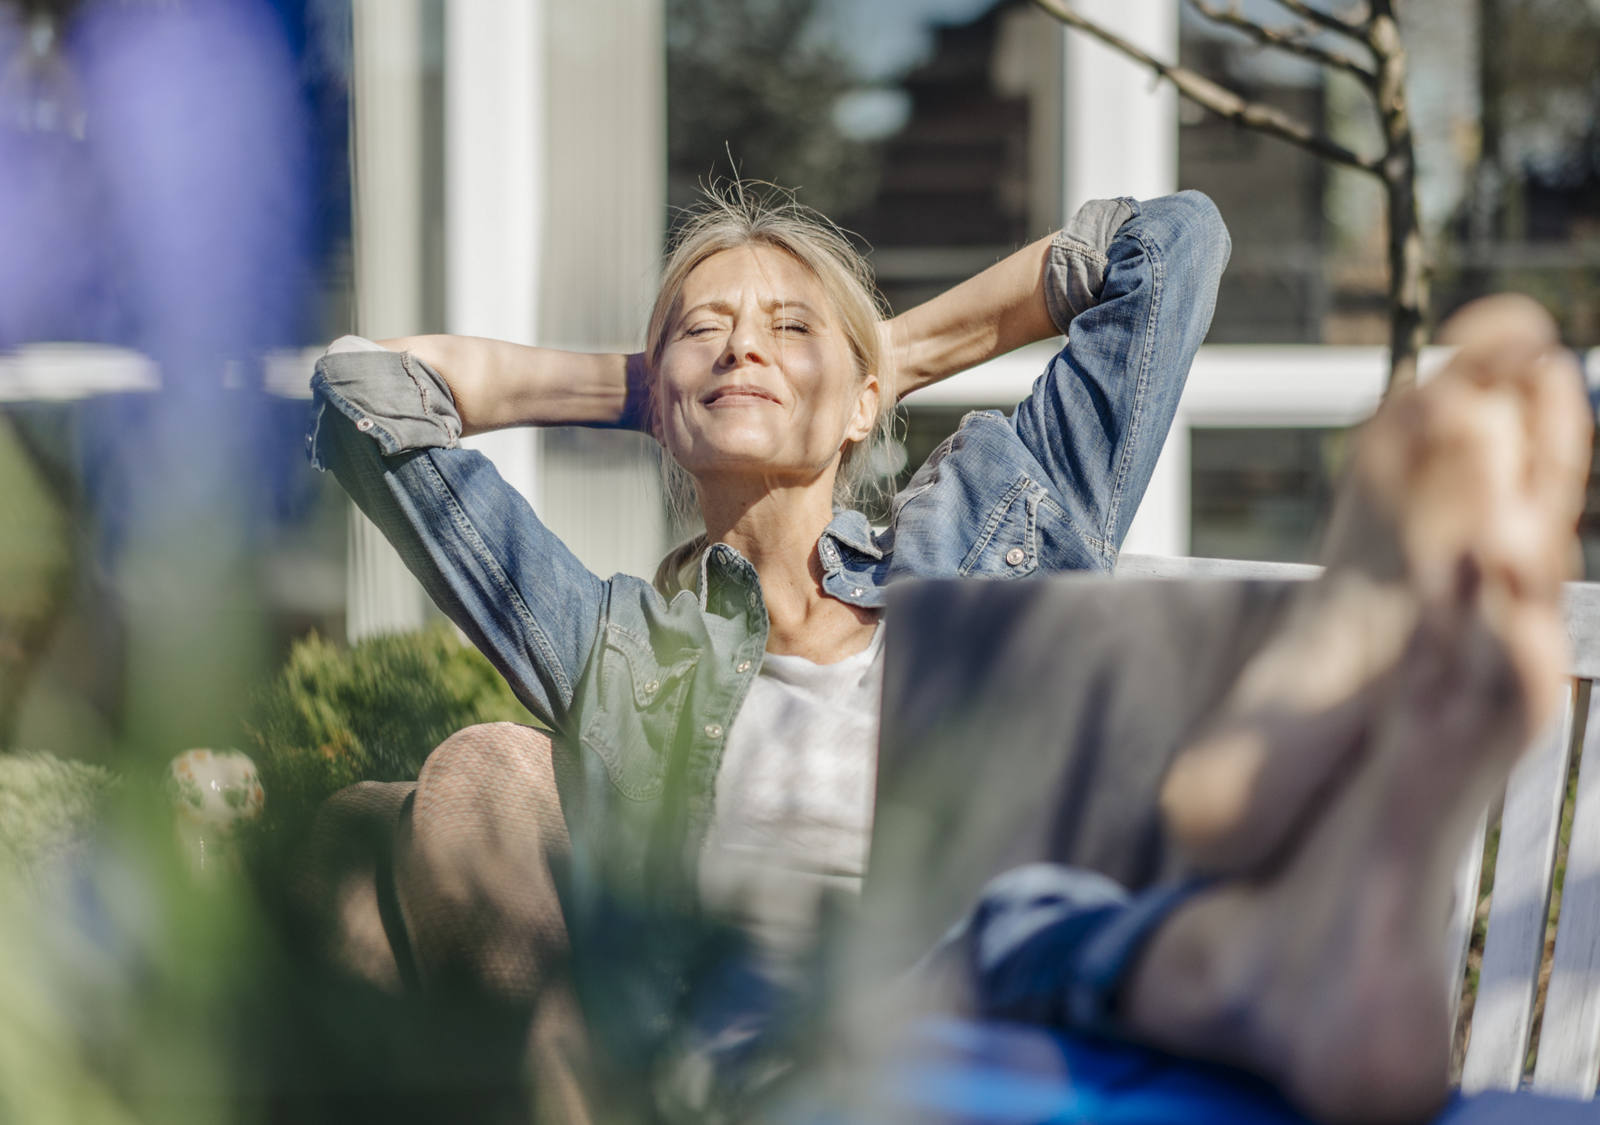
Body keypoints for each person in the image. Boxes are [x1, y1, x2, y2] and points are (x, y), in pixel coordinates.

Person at [302, 178, 1592, 1123]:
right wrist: (655, 389)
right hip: (759, 1048)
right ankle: (1279, 931)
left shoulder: (985, 534)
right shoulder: (617, 642)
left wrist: (886, 356)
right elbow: (366, 395)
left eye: (790, 328)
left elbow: (1170, 246)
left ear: (871, 402)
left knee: (1026, 915)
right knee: (475, 781)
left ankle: (1293, 942)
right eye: (703, 329)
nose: (745, 340)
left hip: (1014, 994)